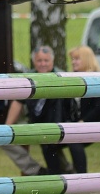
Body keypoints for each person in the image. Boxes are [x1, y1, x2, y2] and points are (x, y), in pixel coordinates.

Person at [6, 45, 77, 174]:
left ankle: (67, 171)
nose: (43, 64)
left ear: (52, 61)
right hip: (34, 122)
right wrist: (7, 126)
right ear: (34, 61)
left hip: (58, 124)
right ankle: (36, 171)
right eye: (39, 61)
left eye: (46, 60)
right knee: (4, 137)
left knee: (49, 143)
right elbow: (18, 102)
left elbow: (70, 108)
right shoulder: (28, 78)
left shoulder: (62, 78)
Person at [68, 45, 100, 173]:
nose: (73, 62)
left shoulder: (97, 79)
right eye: (72, 59)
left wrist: (83, 122)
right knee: (50, 144)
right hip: (80, 124)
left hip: (99, 123)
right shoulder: (71, 78)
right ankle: (58, 174)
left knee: (73, 140)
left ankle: (82, 178)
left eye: (77, 59)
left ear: (86, 60)